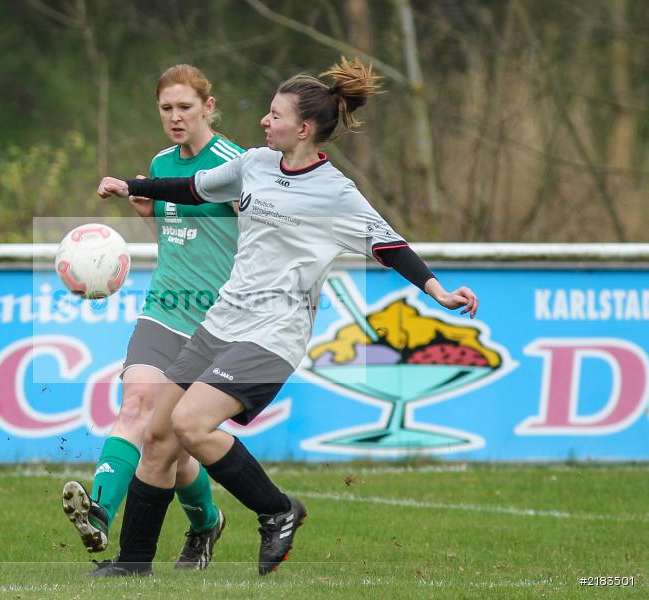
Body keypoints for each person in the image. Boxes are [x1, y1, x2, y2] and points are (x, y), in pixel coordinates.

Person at [93, 56, 479, 576]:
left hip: (274, 332)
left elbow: (390, 247)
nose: (263, 122)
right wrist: (136, 186)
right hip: (222, 319)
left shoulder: (336, 193)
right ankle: (133, 564)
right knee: (160, 434)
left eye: (274, 115)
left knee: (190, 423)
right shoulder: (254, 164)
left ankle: (276, 510)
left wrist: (437, 290)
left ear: (303, 129)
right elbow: (193, 188)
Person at [62, 64, 243, 572]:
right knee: (138, 404)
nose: (175, 117)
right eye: (166, 108)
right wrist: (149, 215)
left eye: (186, 106)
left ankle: (206, 522)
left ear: (209, 107)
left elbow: (255, 240)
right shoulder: (161, 163)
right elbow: (177, 238)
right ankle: (99, 511)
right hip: (164, 307)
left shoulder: (234, 165)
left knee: (173, 441)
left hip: (215, 321)